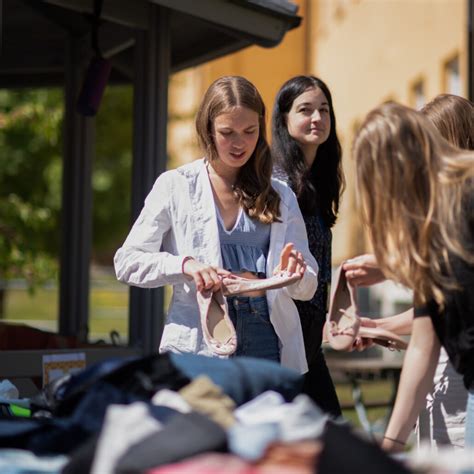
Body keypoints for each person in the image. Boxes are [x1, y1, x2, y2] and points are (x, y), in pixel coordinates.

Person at [114, 76, 319, 373]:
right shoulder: (176, 185)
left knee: (263, 421)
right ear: (208, 129)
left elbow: (307, 286)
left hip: (266, 333)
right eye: (227, 132)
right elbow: (127, 262)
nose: (240, 143)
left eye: (250, 131)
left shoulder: (280, 193)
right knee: (203, 419)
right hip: (199, 336)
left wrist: (294, 274)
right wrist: (185, 265)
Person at [344, 94, 474, 450]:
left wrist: (388, 444)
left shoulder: (458, 196)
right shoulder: (440, 210)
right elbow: (428, 330)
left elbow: (425, 343)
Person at [271, 75, 344, 416]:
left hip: (312, 337)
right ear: (284, 119)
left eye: (324, 110)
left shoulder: (320, 179)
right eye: (305, 110)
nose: (317, 118)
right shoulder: (275, 180)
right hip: (283, 333)